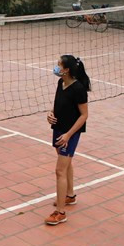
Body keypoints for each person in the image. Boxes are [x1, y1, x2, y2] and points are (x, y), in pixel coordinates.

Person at [45, 55, 89, 225]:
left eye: (59, 65)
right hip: (58, 128)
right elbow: (59, 104)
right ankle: (70, 195)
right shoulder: (60, 83)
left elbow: (84, 115)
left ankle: (60, 212)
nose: (56, 67)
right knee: (66, 163)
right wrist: (50, 113)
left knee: (59, 171)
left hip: (69, 133)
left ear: (66, 69)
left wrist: (69, 135)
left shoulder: (78, 89)